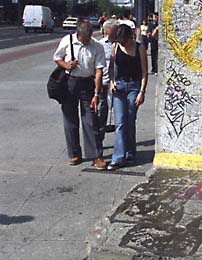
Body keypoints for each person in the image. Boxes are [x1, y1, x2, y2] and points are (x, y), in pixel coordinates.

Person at [53, 20, 107, 169]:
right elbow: (57, 57)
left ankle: (96, 155)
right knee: (70, 120)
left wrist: (96, 93)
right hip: (69, 83)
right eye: (85, 38)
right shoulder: (67, 41)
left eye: (89, 37)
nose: (87, 41)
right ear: (78, 34)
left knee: (90, 119)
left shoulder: (97, 46)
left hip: (87, 84)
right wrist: (66, 65)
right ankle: (74, 153)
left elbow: (98, 71)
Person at [108, 24, 148, 170]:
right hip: (119, 86)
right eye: (119, 41)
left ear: (129, 37)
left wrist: (142, 92)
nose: (121, 44)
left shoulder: (139, 48)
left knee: (130, 121)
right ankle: (118, 157)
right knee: (120, 123)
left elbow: (144, 72)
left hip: (133, 87)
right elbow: (111, 67)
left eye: (123, 41)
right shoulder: (116, 47)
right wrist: (111, 82)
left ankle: (130, 152)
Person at [97, 19, 118, 156]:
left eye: (113, 34)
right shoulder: (99, 45)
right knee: (100, 115)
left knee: (121, 116)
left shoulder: (121, 44)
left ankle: (121, 144)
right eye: (109, 34)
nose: (111, 37)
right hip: (104, 83)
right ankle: (98, 144)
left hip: (118, 83)